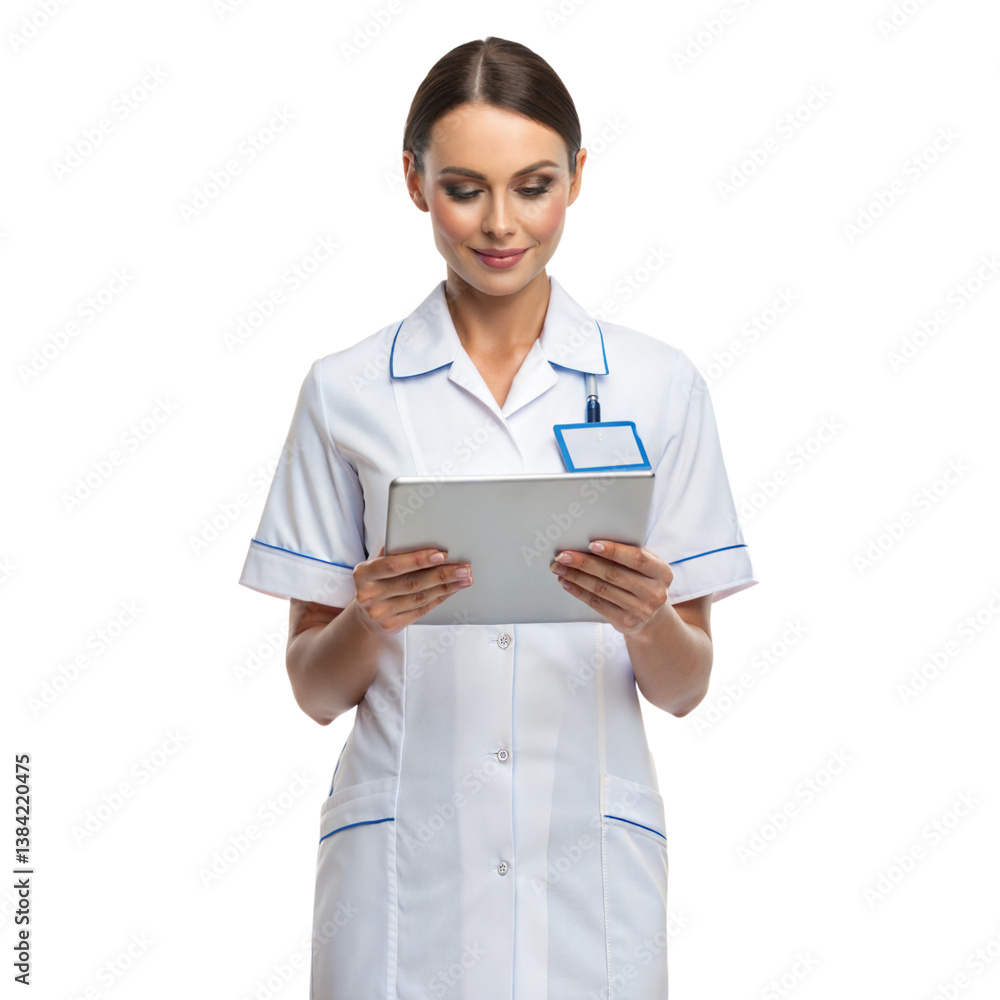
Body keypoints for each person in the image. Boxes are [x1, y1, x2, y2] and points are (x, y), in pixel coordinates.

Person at [238, 35, 757, 999]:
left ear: (578, 177)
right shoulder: (346, 391)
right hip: (403, 874)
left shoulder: (658, 385)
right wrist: (372, 614)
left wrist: (647, 617)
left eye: (534, 185)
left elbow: (686, 687)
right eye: (464, 187)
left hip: (587, 871)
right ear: (413, 181)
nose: (500, 224)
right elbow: (313, 689)